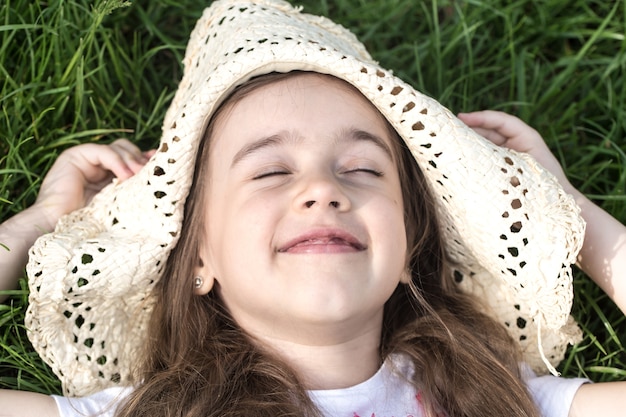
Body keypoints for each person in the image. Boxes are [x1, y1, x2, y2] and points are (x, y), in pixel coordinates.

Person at [0, 1, 625, 416]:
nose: (325, 190)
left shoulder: (494, 397)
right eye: (270, 171)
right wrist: (39, 222)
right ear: (197, 258)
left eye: (362, 169)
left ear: (410, 249)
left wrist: (562, 205)